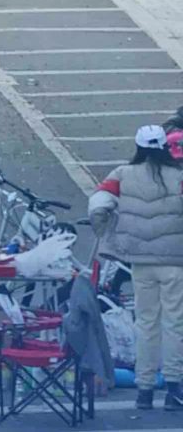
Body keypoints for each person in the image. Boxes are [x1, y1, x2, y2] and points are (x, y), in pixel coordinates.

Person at [92, 120, 183, 410]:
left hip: (139, 263)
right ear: (165, 147)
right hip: (175, 261)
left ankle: (144, 390)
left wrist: (104, 230)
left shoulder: (122, 174)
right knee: (174, 324)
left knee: (146, 324)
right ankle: (174, 388)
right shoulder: (179, 176)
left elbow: (98, 204)